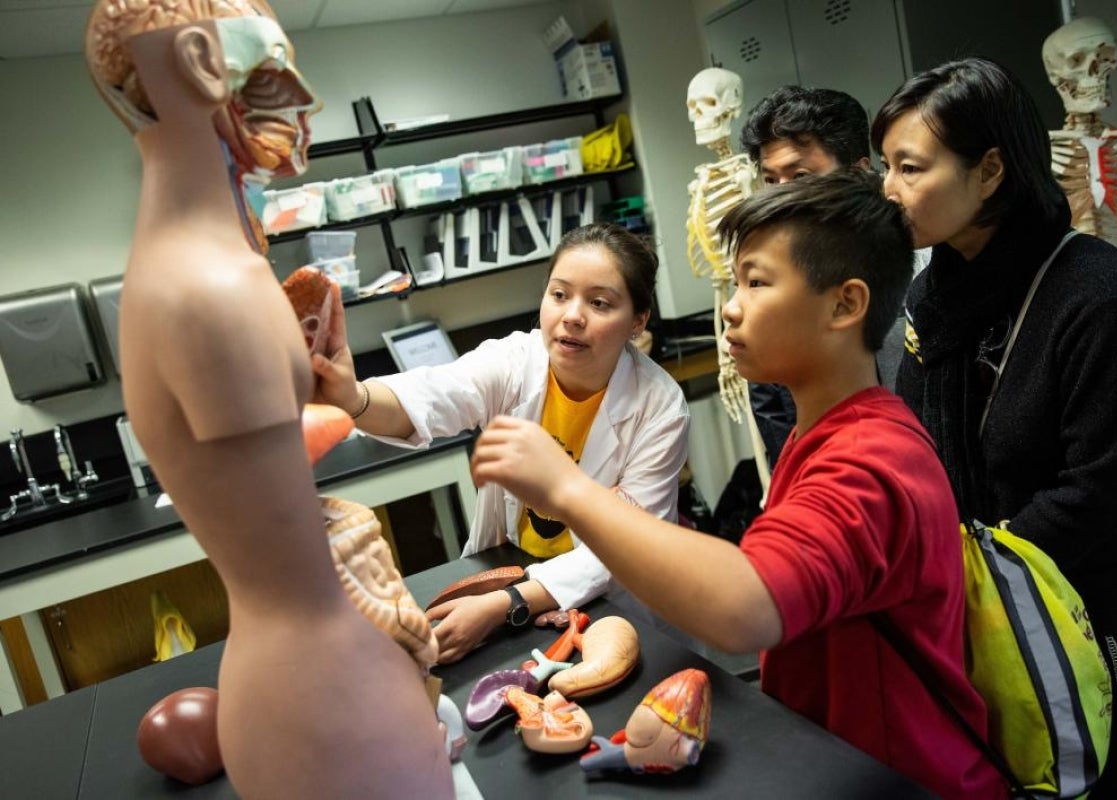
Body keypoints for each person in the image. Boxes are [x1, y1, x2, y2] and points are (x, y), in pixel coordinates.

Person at [469, 171, 1009, 800]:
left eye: (756, 282)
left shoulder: (870, 461)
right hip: (830, 758)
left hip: (901, 779)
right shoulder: (824, 434)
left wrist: (568, 490)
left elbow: (745, 610)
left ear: (845, 304)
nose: (730, 304)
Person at [84, 1, 452, 797]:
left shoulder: (169, 267)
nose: (301, 102)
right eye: (275, 69)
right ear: (198, 61)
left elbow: (257, 468)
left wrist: (309, 382)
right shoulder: (215, 287)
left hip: (293, 683)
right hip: (331, 695)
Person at [872, 57, 1117, 800]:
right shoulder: (932, 292)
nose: (889, 190)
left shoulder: (1101, 298)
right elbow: (922, 447)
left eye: (910, 168)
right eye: (885, 166)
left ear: (989, 171)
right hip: (984, 612)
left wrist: (973, 580)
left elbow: (1098, 494)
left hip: (1092, 611)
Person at [313, 222, 690, 664]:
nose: (571, 315)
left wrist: (504, 604)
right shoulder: (515, 361)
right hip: (514, 568)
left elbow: (627, 546)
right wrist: (351, 397)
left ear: (638, 321)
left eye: (600, 302)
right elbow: (432, 395)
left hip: (613, 604)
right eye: (559, 294)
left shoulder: (660, 408)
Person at [739, 86, 914, 467]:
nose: (782, 199)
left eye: (800, 176)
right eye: (770, 181)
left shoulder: (919, 266)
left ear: (859, 173)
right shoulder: (769, 280)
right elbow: (774, 413)